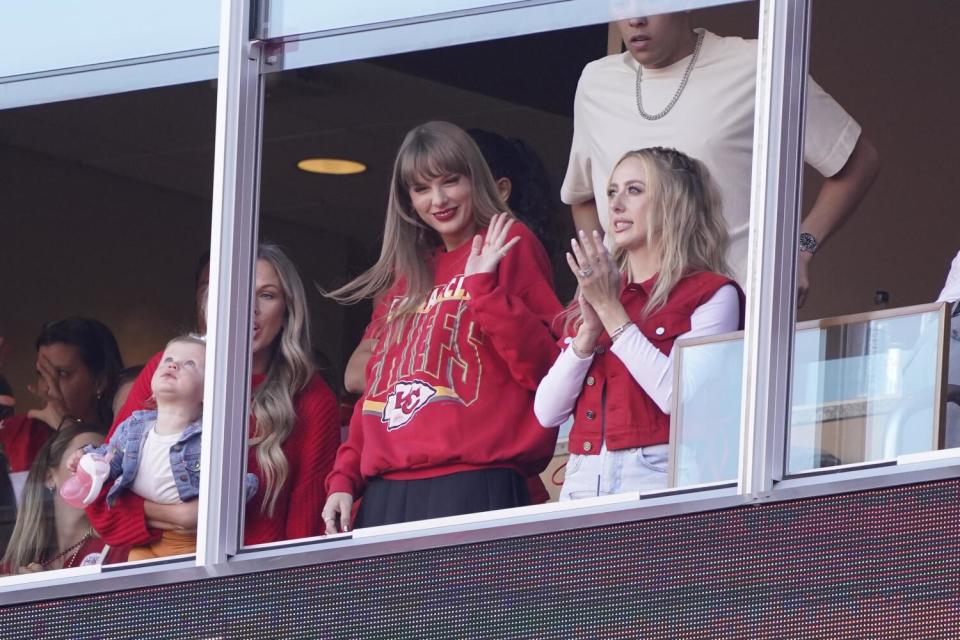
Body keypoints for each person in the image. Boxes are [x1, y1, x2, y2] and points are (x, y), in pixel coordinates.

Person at [321, 121, 563, 532]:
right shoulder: (408, 273)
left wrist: (484, 289)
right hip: (386, 489)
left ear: (477, 180)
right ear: (406, 200)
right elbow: (379, 390)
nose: (438, 200)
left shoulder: (507, 242)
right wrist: (344, 478)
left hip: (476, 478)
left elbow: (545, 369)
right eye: (421, 189)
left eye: (451, 181)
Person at [562, 12, 880, 306]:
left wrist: (799, 249)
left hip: (728, 317)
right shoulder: (596, 82)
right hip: (625, 317)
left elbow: (857, 160)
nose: (636, 18)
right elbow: (584, 196)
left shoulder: (758, 63)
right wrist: (595, 275)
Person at [85, 244, 341, 546]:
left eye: (267, 295)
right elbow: (100, 496)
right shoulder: (169, 367)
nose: (249, 307)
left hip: (251, 582)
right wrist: (185, 517)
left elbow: (307, 532)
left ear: (287, 312)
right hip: (156, 573)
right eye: (236, 291)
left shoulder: (310, 397)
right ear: (211, 303)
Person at [536, 147, 743, 499]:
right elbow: (547, 412)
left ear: (674, 203)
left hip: (658, 475)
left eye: (634, 190)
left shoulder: (711, 293)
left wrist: (610, 311)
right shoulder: (602, 293)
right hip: (582, 479)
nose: (615, 205)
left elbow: (677, 397)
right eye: (612, 192)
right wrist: (588, 332)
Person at [70, 336, 254, 560]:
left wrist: (219, 502)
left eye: (190, 364)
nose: (173, 364)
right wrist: (88, 460)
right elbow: (110, 459)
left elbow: (236, 485)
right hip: (146, 541)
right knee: (140, 587)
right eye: (168, 359)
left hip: (191, 543)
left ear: (208, 393)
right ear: (152, 388)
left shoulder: (209, 437)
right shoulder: (133, 427)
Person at [0, 318, 123, 502]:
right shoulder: (23, 432)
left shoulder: (128, 436)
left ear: (100, 381)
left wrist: (68, 429)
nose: (47, 388)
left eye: (62, 373)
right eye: (42, 374)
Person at [2, 422, 129, 574]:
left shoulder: (119, 549)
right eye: (86, 457)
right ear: (49, 477)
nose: (98, 469)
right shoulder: (13, 566)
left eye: (105, 461)